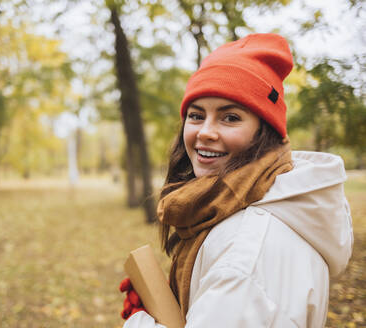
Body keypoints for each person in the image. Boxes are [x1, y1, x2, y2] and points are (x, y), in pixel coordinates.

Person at [119, 33, 353, 327]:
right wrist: (162, 307)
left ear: (264, 131)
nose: (205, 131)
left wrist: (139, 323)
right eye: (196, 115)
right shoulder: (236, 208)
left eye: (230, 117)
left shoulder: (245, 252)